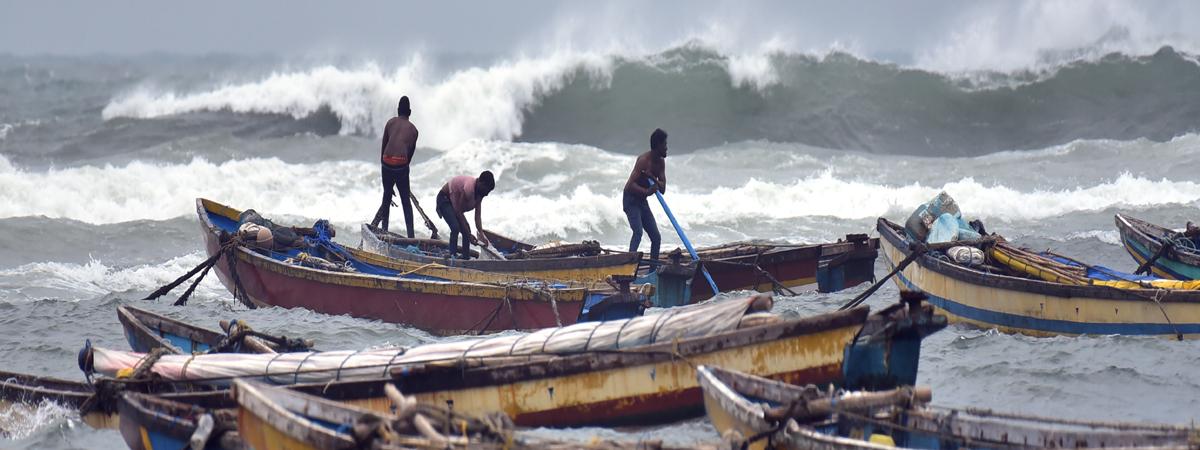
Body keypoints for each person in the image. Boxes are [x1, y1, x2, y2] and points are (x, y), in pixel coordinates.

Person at [370, 96, 418, 237]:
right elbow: (409, 155)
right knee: (405, 201)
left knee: (386, 196)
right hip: (401, 166)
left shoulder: (390, 123)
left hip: (385, 162)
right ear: (409, 112)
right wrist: (401, 168)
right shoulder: (414, 131)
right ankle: (411, 237)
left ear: (398, 110)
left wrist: (385, 165)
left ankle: (384, 230)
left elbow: (384, 146)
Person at [622, 128, 667, 262]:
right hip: (630, 200)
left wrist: (652, 178)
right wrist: (647, 192)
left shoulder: (660, 163)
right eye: (664, 144)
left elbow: (663, 189)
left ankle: (653, 272)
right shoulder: (643, 160)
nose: (666, 148)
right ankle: (628, 267)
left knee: (656, 237)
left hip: (642, 202)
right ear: (658, 145)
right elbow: (629, 185)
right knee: (638, 232)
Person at [436, 171, 496, 259]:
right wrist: (469, 235)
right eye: (487, 190)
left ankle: (465, 257)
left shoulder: (480, 194)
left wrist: (482, 235)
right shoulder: (469, 188)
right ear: (481, 183)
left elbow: (477, 215)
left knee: (467, 229)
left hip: (454, 206)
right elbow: (458, 212)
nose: (487, 194)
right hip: (444, 200)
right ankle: (452, 255)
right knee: (455, 227)